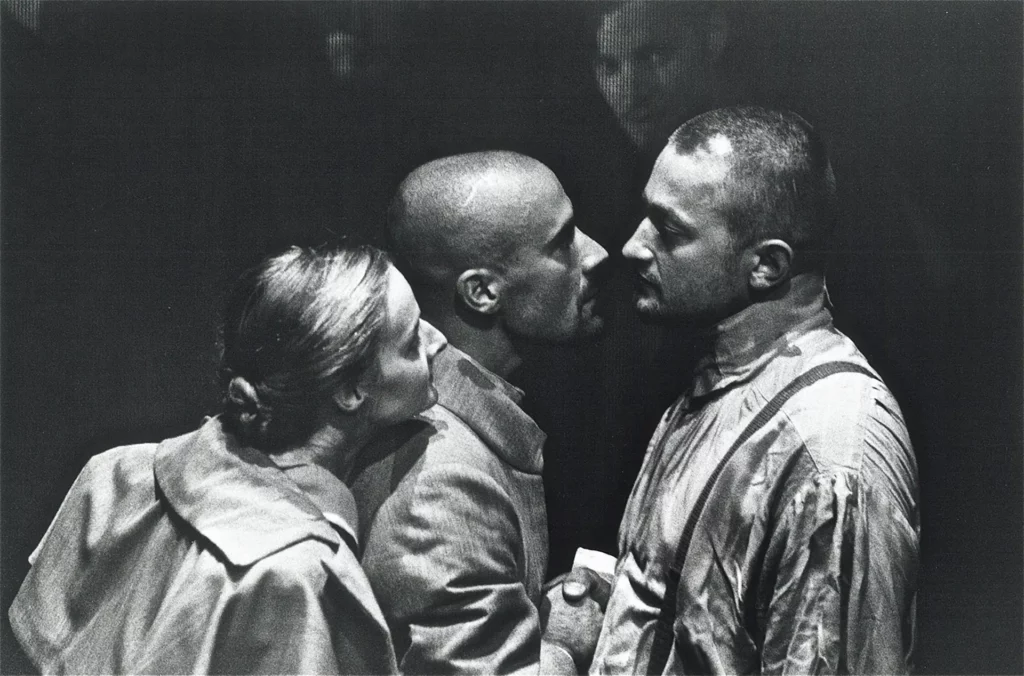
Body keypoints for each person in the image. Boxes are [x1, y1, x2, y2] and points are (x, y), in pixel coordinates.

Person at [549, 106, 920, 674]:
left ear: (767, 265)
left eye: (669, 231)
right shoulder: (718, 380)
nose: (631, 247)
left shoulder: (829, 447)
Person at [8, 244, 447, 674]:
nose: (438, 340)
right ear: (351, 392)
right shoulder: (298, 574)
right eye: (411, 342)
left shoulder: (118, 471)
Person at [350, 151, 610, 674]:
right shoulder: (443, 479)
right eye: (563, 243)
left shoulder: (463, 434)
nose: (598, 253)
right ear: (483, 292)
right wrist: (562, 643)